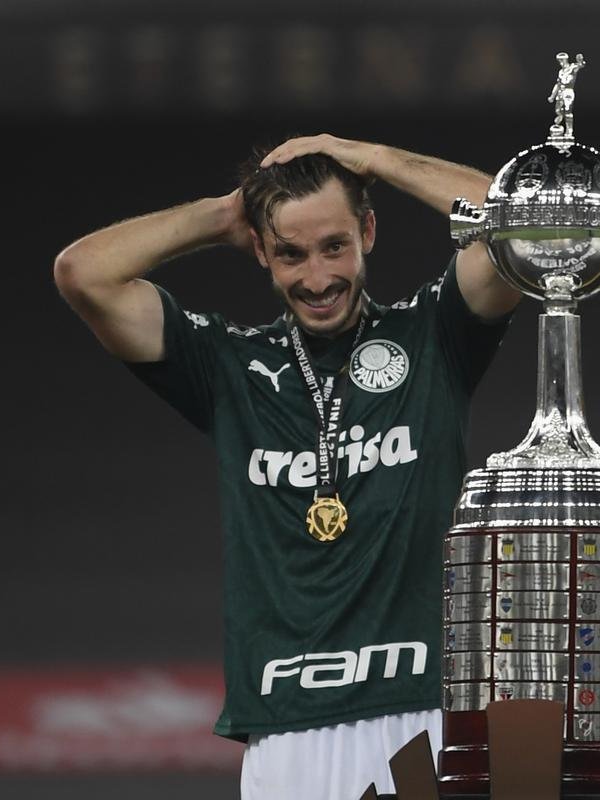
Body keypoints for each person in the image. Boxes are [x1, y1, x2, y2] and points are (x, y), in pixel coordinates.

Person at [53, 134, 519, 798]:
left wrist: (374, 160)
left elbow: (524, 225)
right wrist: (221, 217)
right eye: (291, 253)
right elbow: (83, 273)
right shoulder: (227, 366)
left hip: (424, 714)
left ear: (368, 230)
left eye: (335, 245)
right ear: (262, 253)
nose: (318, 277)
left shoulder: (434, 336)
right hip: (283, 730)